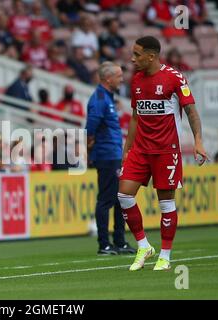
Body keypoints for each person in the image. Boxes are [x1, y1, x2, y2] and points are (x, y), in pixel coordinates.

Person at [119, 36, 208, 271]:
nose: (132, 58)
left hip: (166, 151)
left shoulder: (174, 78)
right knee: (124, 196)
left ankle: (165, 256)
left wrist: (198, 141)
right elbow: (136, 117)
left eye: (137, 55)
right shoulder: (136, 80)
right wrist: (127, 148)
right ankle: (144, 246)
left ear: (151, 56)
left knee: (166, 203)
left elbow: (191, 111)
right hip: (140, 149)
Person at [86, 62, 135, 256]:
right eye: (119, 76)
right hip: (106, 156)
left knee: (119, 198)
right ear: (108, 78)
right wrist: (90, 148)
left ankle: (120, 241)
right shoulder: (99, 99)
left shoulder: (106, 98)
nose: (122, 79)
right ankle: (104, 244)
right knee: (106, 199)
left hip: (114, 154)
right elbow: (90, 129)